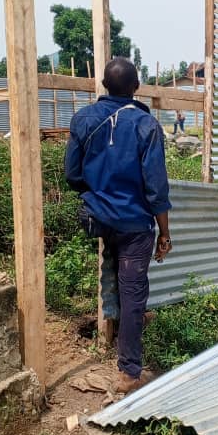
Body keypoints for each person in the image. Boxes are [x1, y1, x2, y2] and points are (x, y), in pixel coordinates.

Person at [65, 57, 172, 394]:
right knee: (133, 291)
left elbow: (73, 175)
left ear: (104, 85)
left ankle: (115, 332)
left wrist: (100, 194)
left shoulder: (82, 119)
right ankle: (128, 372)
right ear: (135, 87)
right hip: (135, 225)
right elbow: (156, 187)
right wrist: (165, 234)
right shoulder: (146, 125)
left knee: (114, 274)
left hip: (99, 220)